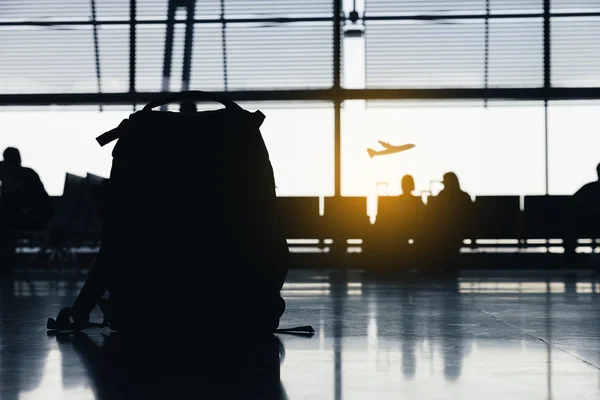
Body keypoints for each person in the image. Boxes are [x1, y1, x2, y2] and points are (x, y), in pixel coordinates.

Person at [0, 147, 52, 269]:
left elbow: (10, 200)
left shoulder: (16, 177)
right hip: (40, 218)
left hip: (33, 220)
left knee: (5, 222)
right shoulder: (27, 173)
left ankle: (5, 262)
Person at [428, 172, 473, 273]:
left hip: (444, 232)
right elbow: (470, 217)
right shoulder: (464, 196)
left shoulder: (441, 196)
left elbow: (435, 214)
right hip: (458, 231)